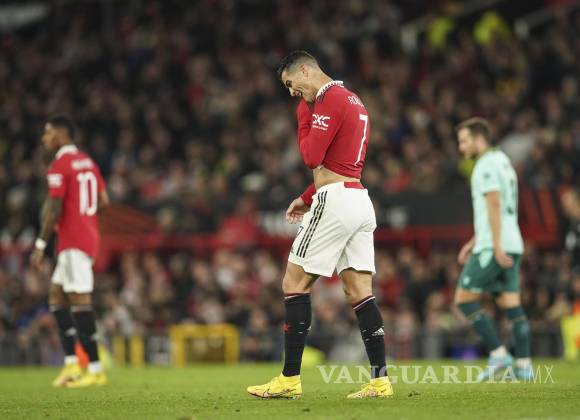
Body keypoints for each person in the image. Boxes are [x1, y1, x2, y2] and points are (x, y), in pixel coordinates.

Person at [247, 51, 392, 399]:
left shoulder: (328, 99)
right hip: (358, 198)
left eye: (290, 83)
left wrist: (303, 118)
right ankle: (380, 381)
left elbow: (312, 156)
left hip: (337, 203)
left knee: (293, 283)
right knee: (359, 292)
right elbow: (342, 164)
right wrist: (307, 195)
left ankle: (289, 379)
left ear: (305, 70)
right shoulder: (353, 100)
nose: (292, 92)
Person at [31, 115, 110, 387]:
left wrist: (40, 244)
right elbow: (104, 201)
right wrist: (84, 217)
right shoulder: (88, 162)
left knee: (80, 300)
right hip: (84, 237)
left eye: (48, 133)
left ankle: (96, 370)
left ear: (61, 135)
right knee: (56, 295)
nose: (44, 138)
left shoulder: (60, 165)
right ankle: (71, 364)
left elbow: (53, 208)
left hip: (74, 241)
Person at [454, 117, 533, 381]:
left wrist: (494, 245)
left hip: (494, 246)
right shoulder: (503, 161)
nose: (461, 148)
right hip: (513, 242)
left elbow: (494, 204)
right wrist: (474, 240)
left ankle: (499, 353)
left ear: (479, 139)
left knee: (464, 299)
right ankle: (524, 366)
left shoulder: (485, 164)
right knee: (511, 304)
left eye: (464, 141)